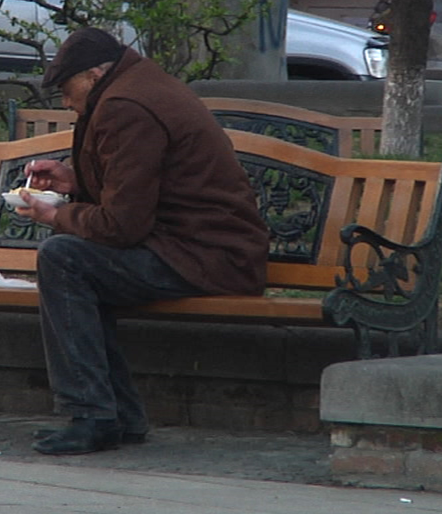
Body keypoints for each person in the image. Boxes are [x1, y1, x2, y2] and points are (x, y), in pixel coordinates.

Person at [16, 27, 269, 456]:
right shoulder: (140, 84)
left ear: (94, 75)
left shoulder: (125, 107)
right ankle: (118, 417)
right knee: (81, 264)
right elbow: (142, 190)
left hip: (204, 256)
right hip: (202, 248)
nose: (64, 101)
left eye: (66, 89)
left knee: (64, 258)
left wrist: (57, 214)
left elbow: (121, 226)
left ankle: (93, 416)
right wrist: (73, 182)